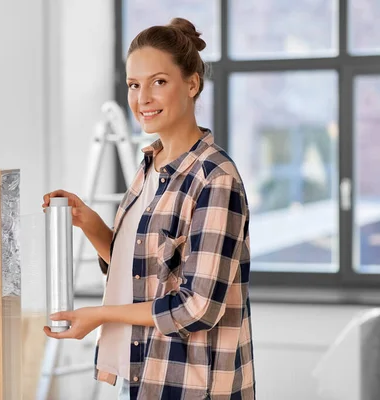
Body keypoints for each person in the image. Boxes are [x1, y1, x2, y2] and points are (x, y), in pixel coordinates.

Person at [41, 17, 255, 400]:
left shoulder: (214, 178)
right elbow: (149, 272)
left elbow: (197, 307)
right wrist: (89, 223)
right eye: (133, 85)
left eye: (158, 82)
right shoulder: (149, 168)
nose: (142, 99)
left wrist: (99, 315)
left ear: (191, 84)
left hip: (195, 386)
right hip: (146, 377)